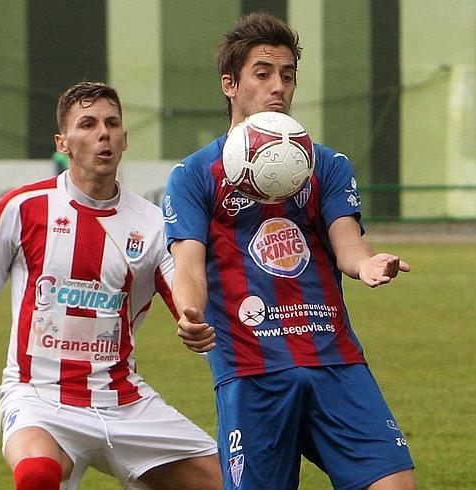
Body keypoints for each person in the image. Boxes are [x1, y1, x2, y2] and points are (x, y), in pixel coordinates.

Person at [163, 12, 417, 490]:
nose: (278, 86)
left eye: (287, 75)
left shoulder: (328, 164)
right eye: (263, 74)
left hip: (333, 360)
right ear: (230, 85)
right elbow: (189, 266)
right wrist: (189, 310)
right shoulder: (194, 174)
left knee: (395, 485)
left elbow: (348, 247)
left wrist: (368, 263)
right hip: (251, 370)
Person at [0, 81, 222, 490]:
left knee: (234, 481)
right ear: (63, 141)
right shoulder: (22, 208)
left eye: (112, 123)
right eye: (88, 123)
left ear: (125, 139)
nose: (103, 133)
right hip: (39, 398)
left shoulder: (153, 224)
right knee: (38, 474)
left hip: (124, 402)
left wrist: (192, 318)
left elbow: (183, 288)